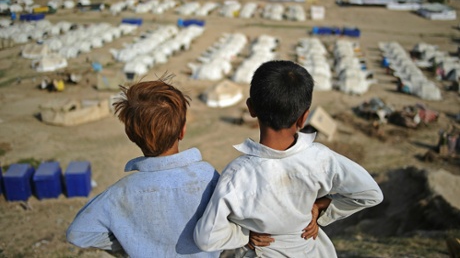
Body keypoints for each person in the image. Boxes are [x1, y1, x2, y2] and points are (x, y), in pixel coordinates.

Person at [193, 60, 384, 257]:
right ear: (304, 117)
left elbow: (206, 238)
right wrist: (321, 206)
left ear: (251, 108)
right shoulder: (321, 158)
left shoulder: (238, 174)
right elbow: (371, 194)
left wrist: (244, 235)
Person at [66, 76, 221, 257]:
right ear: (182, 130)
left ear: (131, 135)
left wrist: (129, 241)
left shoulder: (121, 193)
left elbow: (78, 234)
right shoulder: (207, 176)